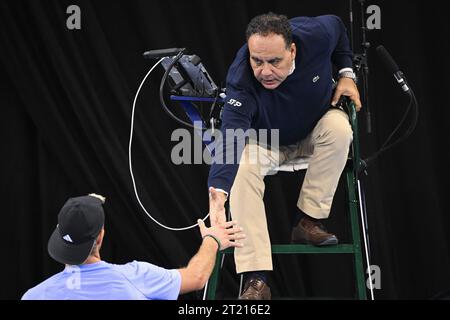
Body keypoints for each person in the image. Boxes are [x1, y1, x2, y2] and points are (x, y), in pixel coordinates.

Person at [207, 13, 362, 299]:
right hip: (267, 142)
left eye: (274, 61)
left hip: (315, 128)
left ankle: (308, 221)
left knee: (341, 128)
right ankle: (256, 280)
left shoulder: (316, 35)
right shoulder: (240, 79)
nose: (265, 71)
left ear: (292, 51)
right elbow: (229, 141)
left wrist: (346, 74)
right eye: (257, 61)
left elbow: (339, 27)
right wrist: (217, 193)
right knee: (241, 165)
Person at [22, 192, 245, 300]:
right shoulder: (136, 276)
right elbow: (197, 277)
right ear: (100, 237)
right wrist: (213, 239)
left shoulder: (33, 296)